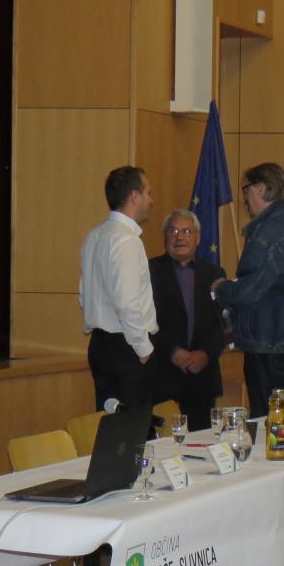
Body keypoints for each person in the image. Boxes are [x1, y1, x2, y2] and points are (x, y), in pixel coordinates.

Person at [213, 163, 284, 417]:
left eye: (246, 189)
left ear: (261, 189)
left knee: (265, 417)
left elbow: (249, 292)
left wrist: (222, 288)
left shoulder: (265, 234)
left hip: (267, 342)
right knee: (279, 412)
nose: (244, 197)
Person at [79, 166, 158, 425]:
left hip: (101, 346)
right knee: (132, 430)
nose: (151, 200)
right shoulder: (127, 241)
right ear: (134, 196)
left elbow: (84, 294)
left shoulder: (95, 236)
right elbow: (127, 303)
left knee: (110, 428)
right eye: (148, 193)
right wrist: (143, 348)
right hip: (126, 347)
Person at [149, 209, 227, 431]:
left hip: (202, 378)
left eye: (186, 231)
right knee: (165, 444)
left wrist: (206, 354)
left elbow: (224, 324)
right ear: (165, 236)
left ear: (198, 238)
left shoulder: (215, 273)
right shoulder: (149, 271)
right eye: (173, 231)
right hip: (162, 375)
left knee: (201, 443)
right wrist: (172, 352)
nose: (179, 237)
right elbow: (143, 322)